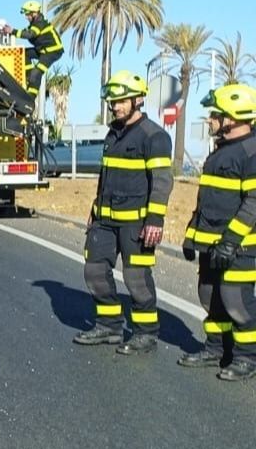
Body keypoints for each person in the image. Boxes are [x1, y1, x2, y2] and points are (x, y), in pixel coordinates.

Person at [75, 71, 175, 355]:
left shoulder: (154, 136)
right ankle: (109, 326)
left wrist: (155, 220)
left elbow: (162, 181)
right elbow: (105, 176)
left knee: (136, 280)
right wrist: (95, 209)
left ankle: (145, 334)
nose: (115, 106)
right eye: (112, 101)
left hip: (136, 224)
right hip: (105, 222)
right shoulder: (112, 133)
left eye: (121, 101)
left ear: (138, 99)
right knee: (94, 271)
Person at [179, 83, 256, 379]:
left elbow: (253, 203)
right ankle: (216, 349)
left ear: (233, 117)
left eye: (215, 114)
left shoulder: (250, 152)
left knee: (237, 300)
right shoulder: (220, 152)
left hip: (240, 248)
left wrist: (230, 242)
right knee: (209, 296)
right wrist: (191, 235)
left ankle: (247, 358)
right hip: (210, 245)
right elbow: (208, 201)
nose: (210, 119)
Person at [6, 0, 65, 92]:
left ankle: (30, 98)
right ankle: (29, 76)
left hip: (52, 52)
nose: (26, 17)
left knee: (36, 73)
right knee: (23, 53)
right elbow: (25, 32)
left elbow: (29, 34)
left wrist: (13, 31)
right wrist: (9, 33)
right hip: (42, 50)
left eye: (27, 14)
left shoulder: (40, 24)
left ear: (34, 14)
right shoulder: (33, 24)